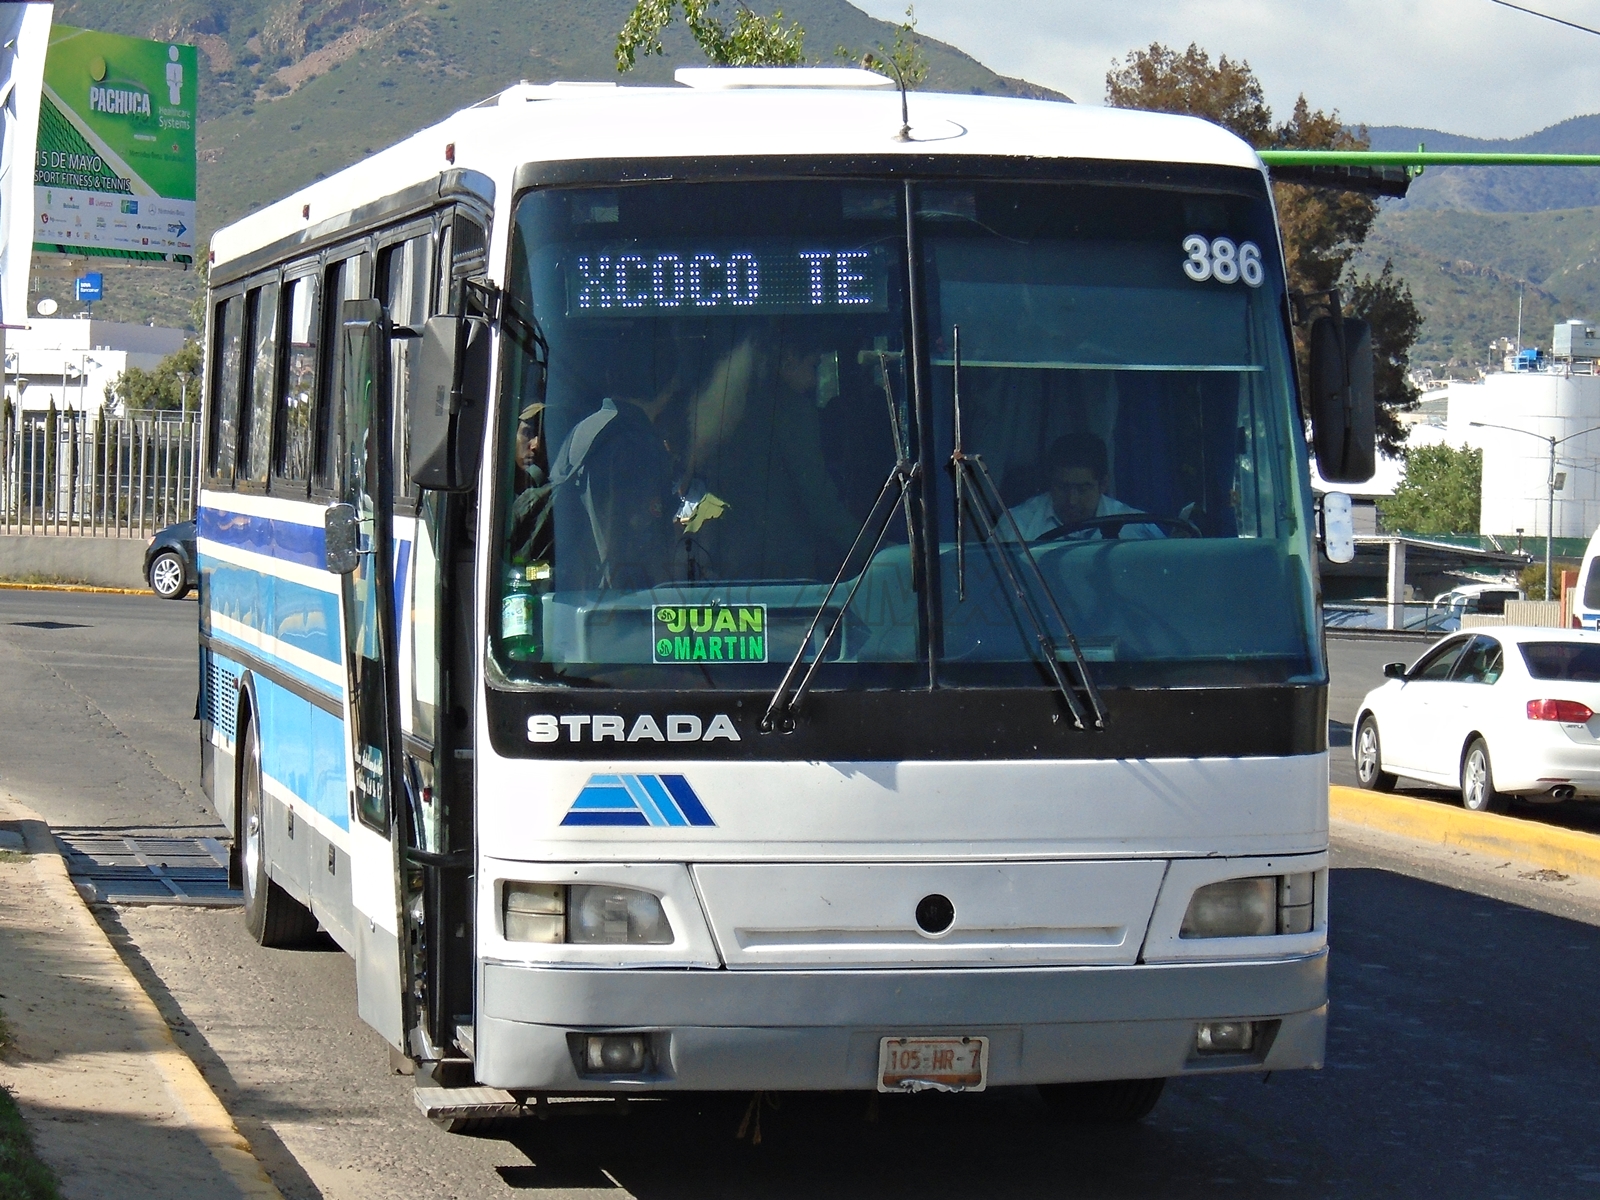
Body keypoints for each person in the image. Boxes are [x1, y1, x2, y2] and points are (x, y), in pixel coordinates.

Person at [1004, 433, 1162, 541]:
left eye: (1083, 489)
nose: (1072, 501)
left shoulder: (1137, 528)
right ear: (1050, 482)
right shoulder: (1017, 526)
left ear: (1103, 485)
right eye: (1063, 488)